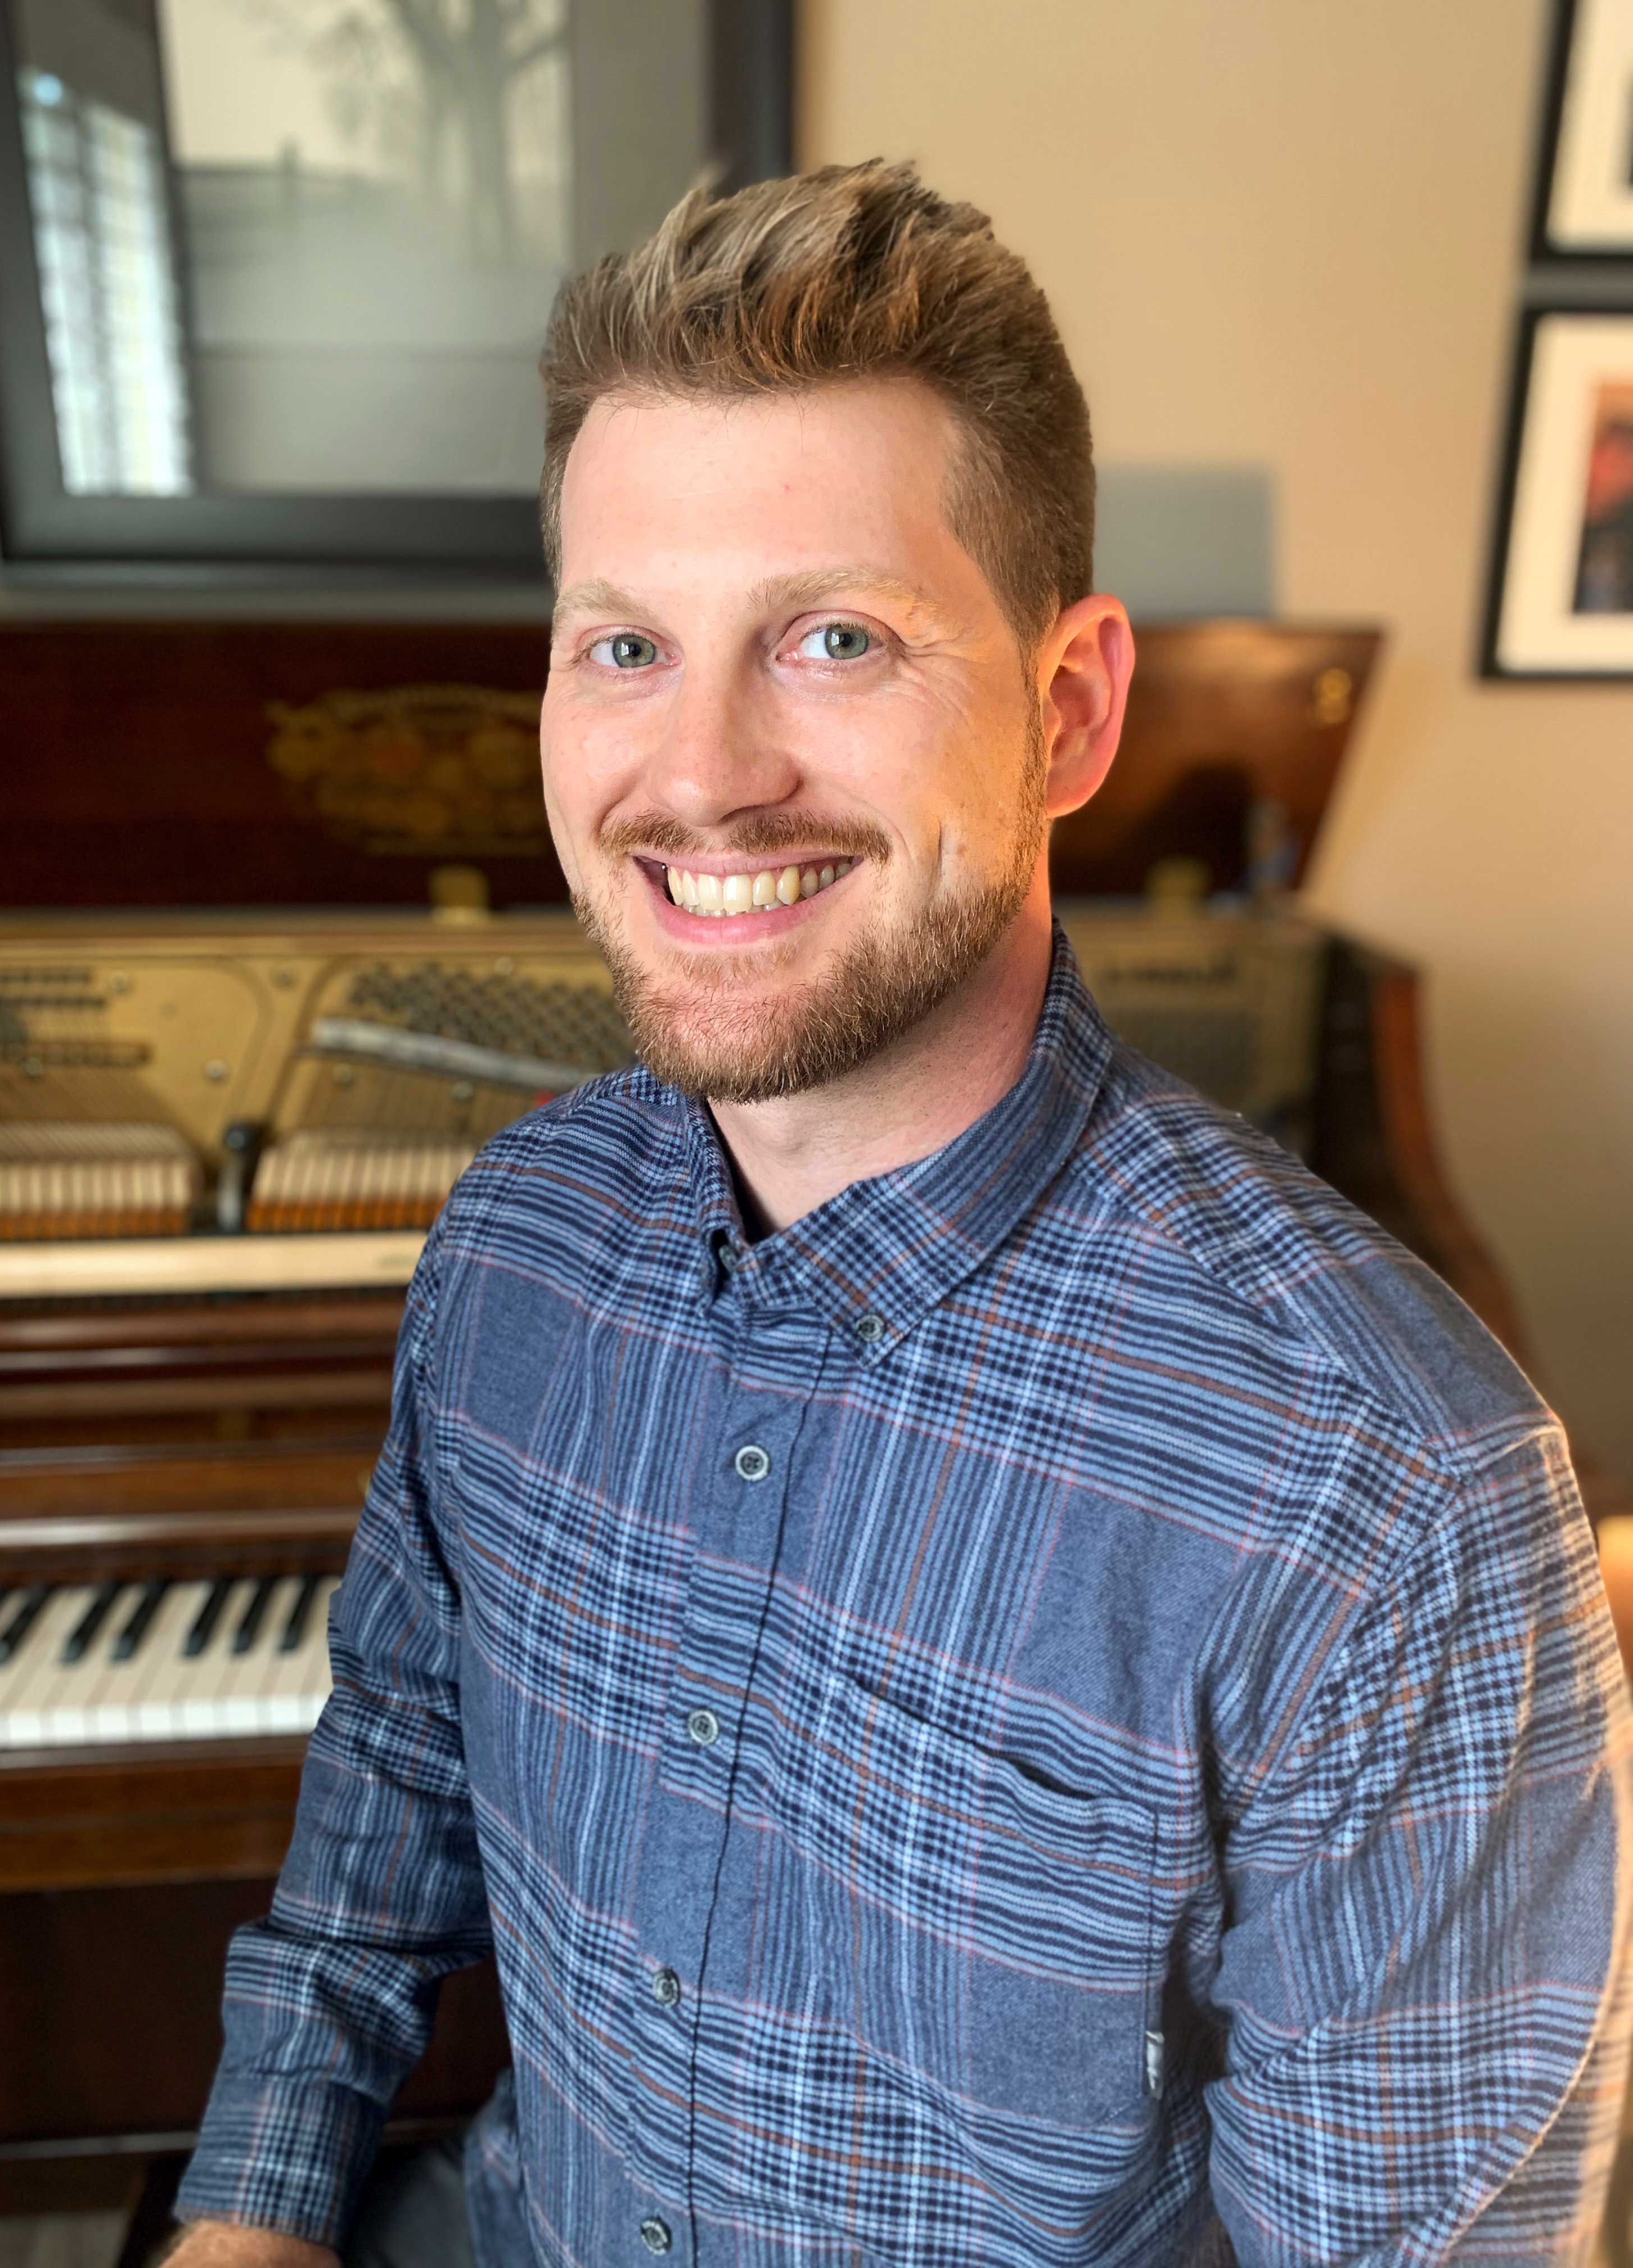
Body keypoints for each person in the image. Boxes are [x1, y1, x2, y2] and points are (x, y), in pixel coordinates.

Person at [167, 161, 1633, 2268]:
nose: (700, 773)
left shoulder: (1391, 1498)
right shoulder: (507, 1245)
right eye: (627, 645)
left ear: (1071, 710)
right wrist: (253, 2211)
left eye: (834, 637)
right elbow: (389, 1793)